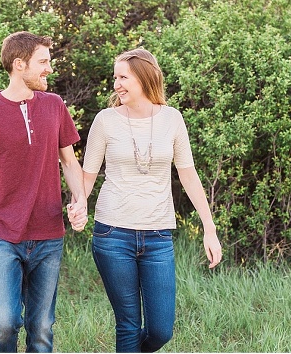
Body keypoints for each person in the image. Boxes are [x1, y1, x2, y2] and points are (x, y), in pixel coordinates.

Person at [82, 48, 221, 353]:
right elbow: (87, 175)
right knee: (129, 325)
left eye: (123, 77)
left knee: (160, 330)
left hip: (158, 236)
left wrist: (209, 228)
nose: (116, 84)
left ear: (144, 78)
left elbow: (188, 174)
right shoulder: (105, 121)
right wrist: (79, 204)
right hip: (112, 233)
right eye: (115, 77)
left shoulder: (172, 119)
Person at [0, 32, 88, 353]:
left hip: (48, 234)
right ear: (19, 64)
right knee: (4, 322)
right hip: (2, 235)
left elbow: (70, 163)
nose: (49, 69)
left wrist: (80, 200)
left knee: (42, 326)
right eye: (42, 62)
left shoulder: (55, 105)